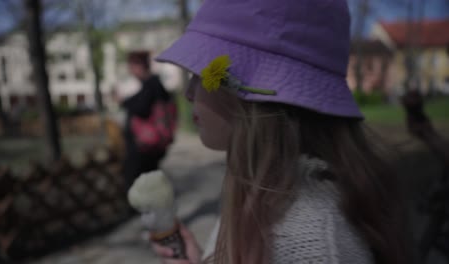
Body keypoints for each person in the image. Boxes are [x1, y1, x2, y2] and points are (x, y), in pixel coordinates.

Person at [150, 0, 410, 263]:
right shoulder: (262, 190)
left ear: (257, 96)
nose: (189, 92)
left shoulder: (316, 247)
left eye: (203, 74)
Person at [120, 51, 173, 190]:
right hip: (146, 144)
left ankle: (141, 210)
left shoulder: (152, 83)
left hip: (145, 145)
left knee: (138, 181)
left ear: (140, 65)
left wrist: (124, 102)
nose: (130, 70)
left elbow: (142, 107)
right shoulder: (151, 84)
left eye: (131, 65)